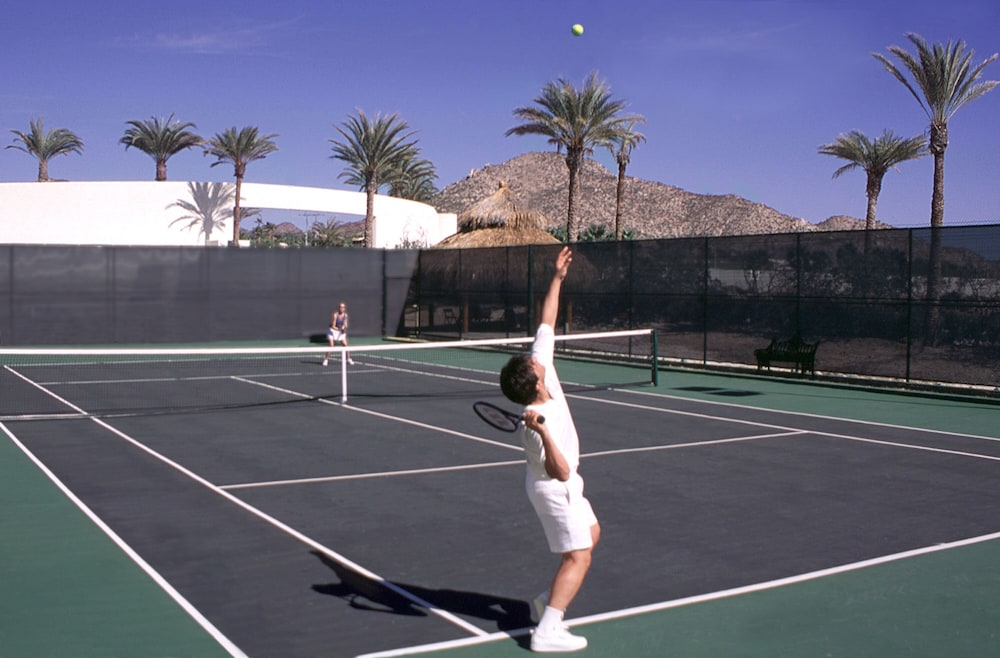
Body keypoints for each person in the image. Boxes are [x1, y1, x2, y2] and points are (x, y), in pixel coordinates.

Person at [499, 246, 599, 653]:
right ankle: (546, 631)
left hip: (563, 482)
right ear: (535, 381)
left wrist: (557, 277)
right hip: (554, 486)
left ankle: (546, 602)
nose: (536, 357)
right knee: (580, 557)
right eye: (533, 362)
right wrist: (544, 434)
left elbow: (546, 321)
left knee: (590, 535)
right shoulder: (537, 424)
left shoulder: (542, 370)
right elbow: (558, 471)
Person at [323, 302, 354, 366]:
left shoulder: (345, 315)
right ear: (338, 308)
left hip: (340, 331)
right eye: (340, 307)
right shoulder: (335, 315)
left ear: (344, 308)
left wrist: (344, 328)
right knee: (331, 345)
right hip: (332, 331)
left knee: (345, 345)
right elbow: (333, 326)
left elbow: (345, 324)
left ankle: (348, 359)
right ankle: (326, 359)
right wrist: (340, 329)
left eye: (343, 307)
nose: (342, 308)